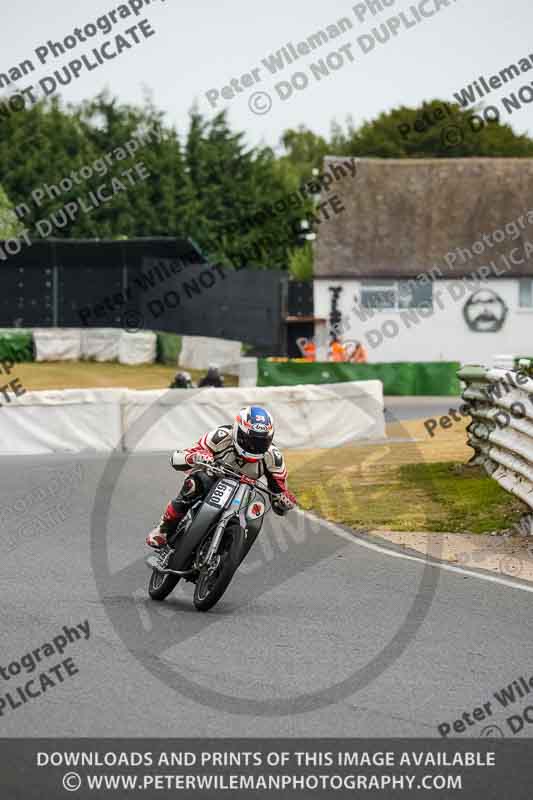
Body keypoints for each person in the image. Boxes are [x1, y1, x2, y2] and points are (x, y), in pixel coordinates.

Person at [146, 406, 297, 548]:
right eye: (250, 440)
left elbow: (278, 495)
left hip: (245, 494)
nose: (254, 446)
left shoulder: (273, 457)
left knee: (256, 510)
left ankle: (231, 547)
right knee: (193, 485)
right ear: (238, 431)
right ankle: (164, 528)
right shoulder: (221, 436)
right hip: (213, 479)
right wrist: (196, 456)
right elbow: (177, 459)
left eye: (261, 442)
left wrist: (284, 501)